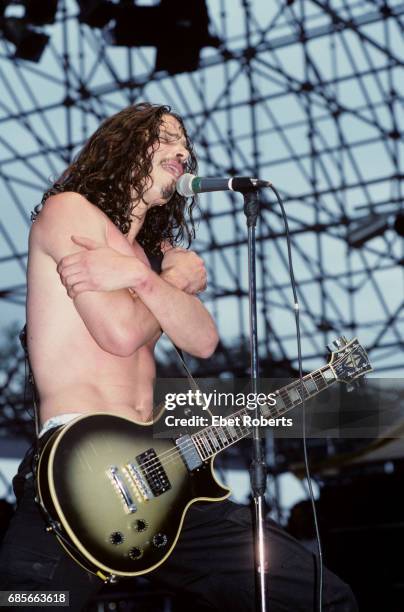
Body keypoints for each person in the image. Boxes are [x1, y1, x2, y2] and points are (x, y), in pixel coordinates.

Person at [0, 103, 357, 611]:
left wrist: (149, 279)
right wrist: (171, 285)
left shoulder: (143, 259)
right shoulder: (69, 211)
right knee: (32, 604)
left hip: (164, 481)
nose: (183, 151)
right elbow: (119, 334)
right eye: (167, 138)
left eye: (185, 145)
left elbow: (202, 339)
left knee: (322, 597)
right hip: (75, 477)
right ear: (124, 146)